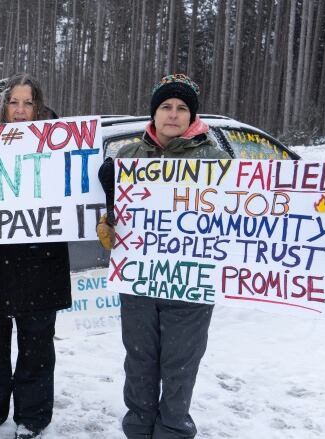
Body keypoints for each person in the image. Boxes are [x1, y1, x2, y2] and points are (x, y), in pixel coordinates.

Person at [97, 73, 231, 439]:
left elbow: (254, 217)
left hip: (190, 285)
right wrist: (109, 208)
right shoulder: (128, 156)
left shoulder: (217, 161)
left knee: (180, 367)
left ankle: (172, 430)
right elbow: (112, 229)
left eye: (182, 108)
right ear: (154, 114)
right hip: (139, 282)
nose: (173, 114)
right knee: (139, 363)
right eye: (165, 107)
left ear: (192, 117)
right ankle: (138, 429)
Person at [0, 74, 72, 439]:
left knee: (36, 344)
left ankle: (32, 417)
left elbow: (78, 193)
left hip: (41, 261)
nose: (21, 110)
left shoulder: (63, 146)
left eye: (28, 103)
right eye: (14, 102)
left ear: (38, 106)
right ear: (4, 106)